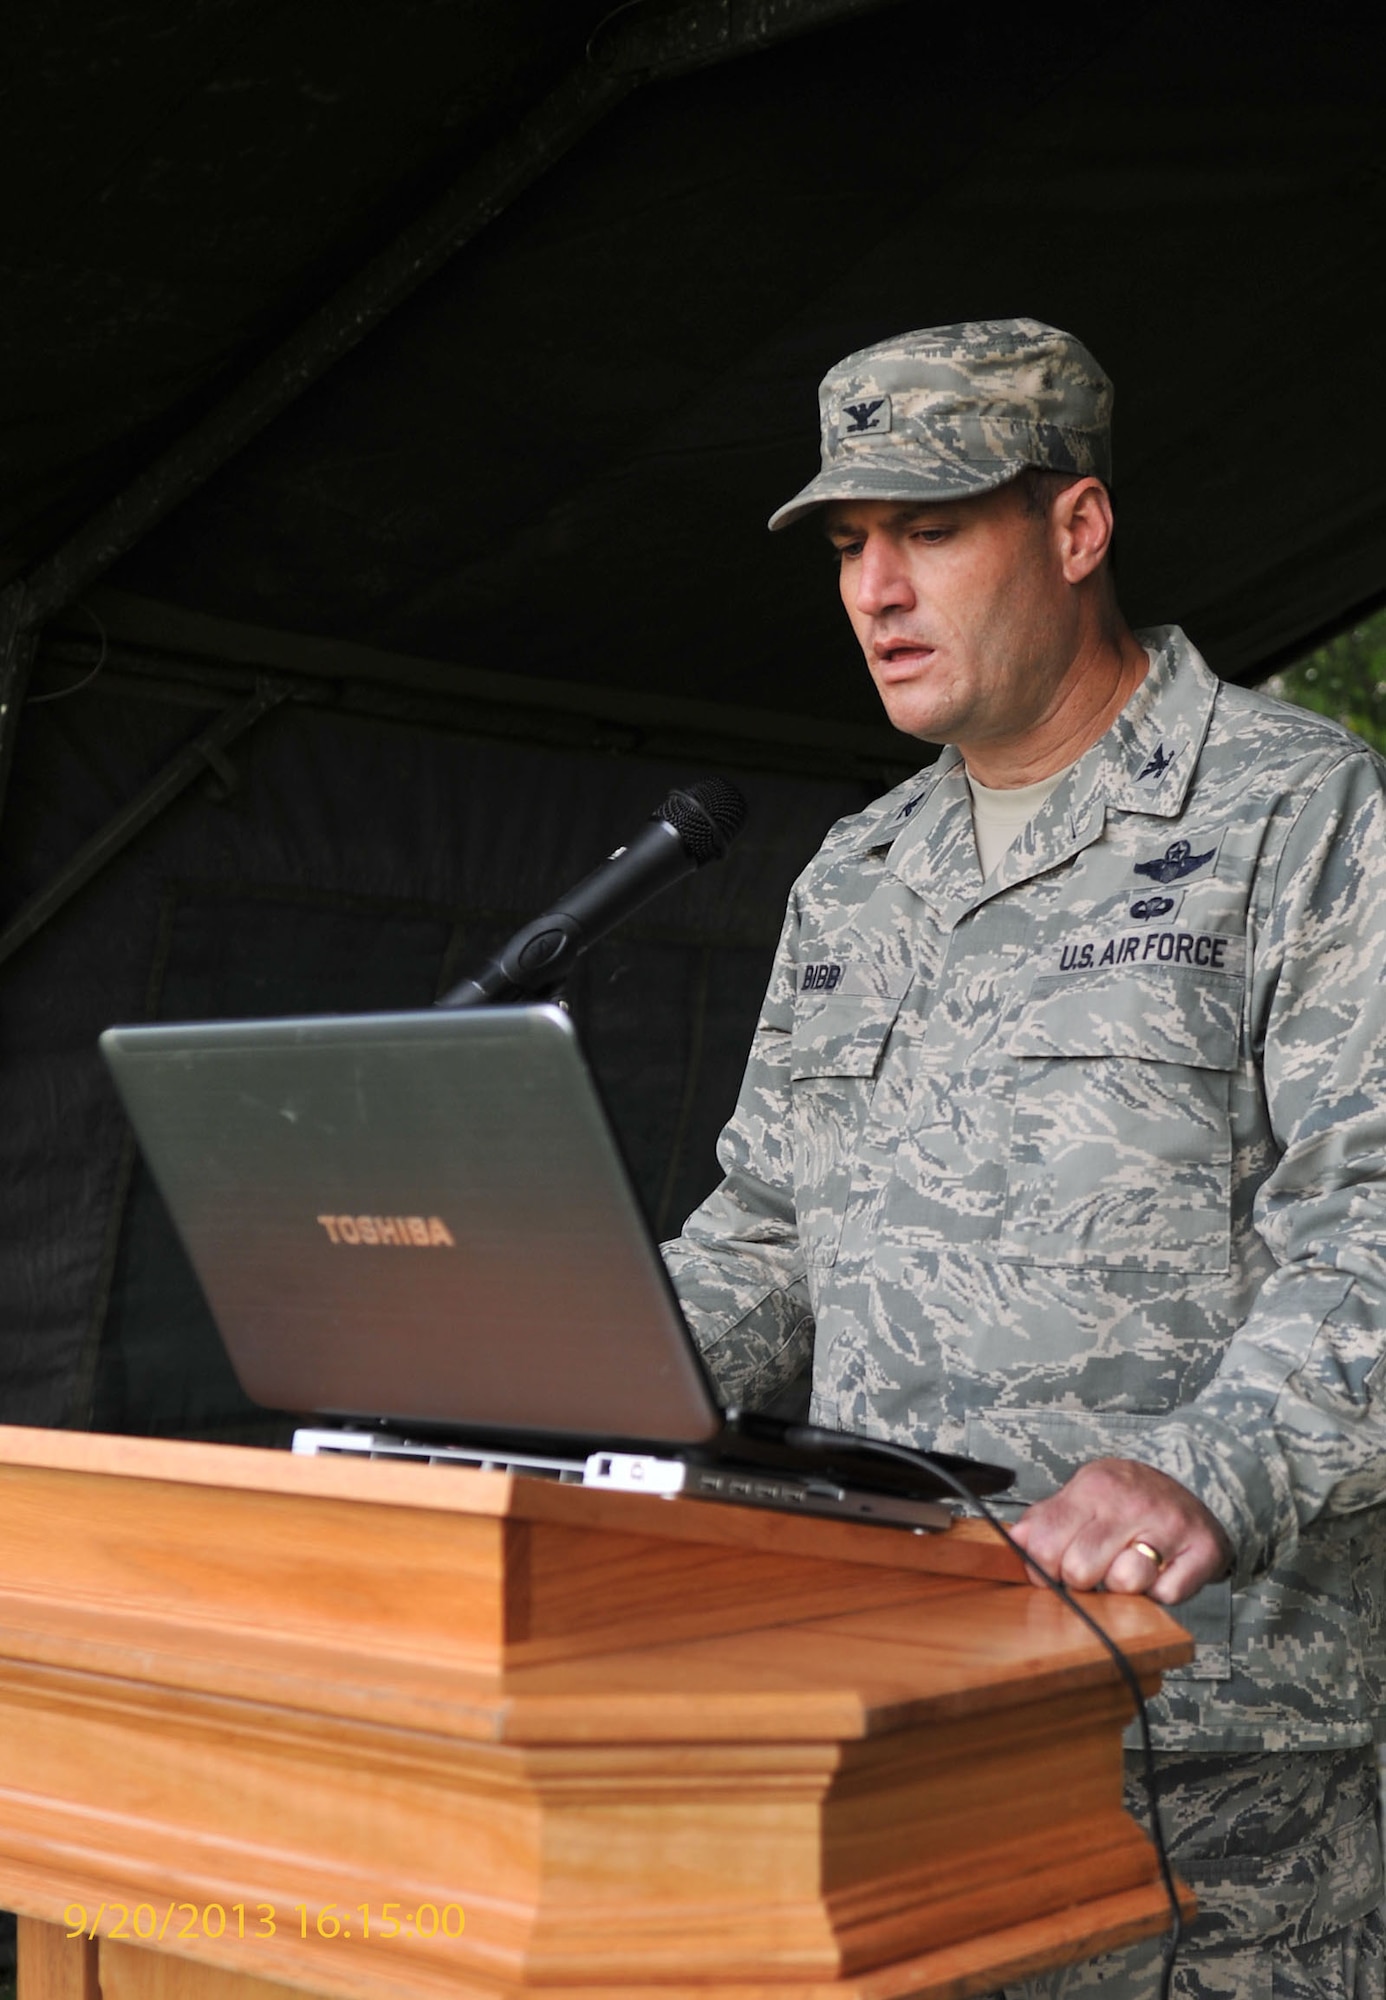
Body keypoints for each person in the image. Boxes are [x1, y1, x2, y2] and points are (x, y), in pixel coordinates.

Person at [660, 319, 1386, 1998]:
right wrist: (549, 1397)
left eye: (928, 529)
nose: (874, 592)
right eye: (848, 546)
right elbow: (768, 1229)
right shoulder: (857, 871)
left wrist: (1207, 1465)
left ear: (1075, 530)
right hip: (888, 1710)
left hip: (1199, 1740)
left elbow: (1373, 1214)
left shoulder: (1303, 813)